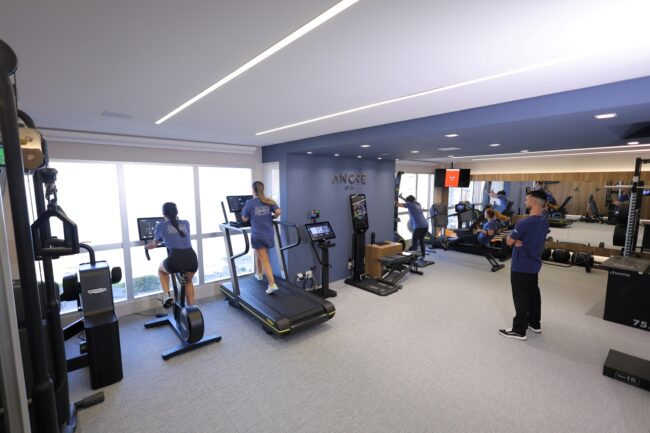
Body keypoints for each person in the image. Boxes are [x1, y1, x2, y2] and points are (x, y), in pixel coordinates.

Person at [498, 189, 549, 341]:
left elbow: (508, 241)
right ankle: (534, 323)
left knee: (520, 297)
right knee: (533, 294)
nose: (525, 201)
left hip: (521, 265)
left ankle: (519, 330)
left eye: (527, 199)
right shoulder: (544, 221)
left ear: (533, 202)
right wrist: (518, 240)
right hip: (534, 265)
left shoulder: (524, 223)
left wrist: (513, 240)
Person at [146, 202, 198, 307]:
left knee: (161, 270)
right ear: (177, 212)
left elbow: (154, 244)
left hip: (176, 258)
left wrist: (147, 246)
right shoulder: (186, 223)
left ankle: (167, 296)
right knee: (188, 281)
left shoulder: (160, 226)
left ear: (163, 214)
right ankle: (191, 308)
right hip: (192, 258)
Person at [242, 181, 282, 294]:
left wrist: (252, 215)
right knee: (258, 253)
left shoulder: (249, 203)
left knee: (264, 259)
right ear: (262, 189)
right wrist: (273, 216)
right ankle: (259, 274)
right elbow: (278, 211)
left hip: (257, 235)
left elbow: (244, 219)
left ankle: (272, 284)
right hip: (268, 234)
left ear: (253, 190)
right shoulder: (269, 201)